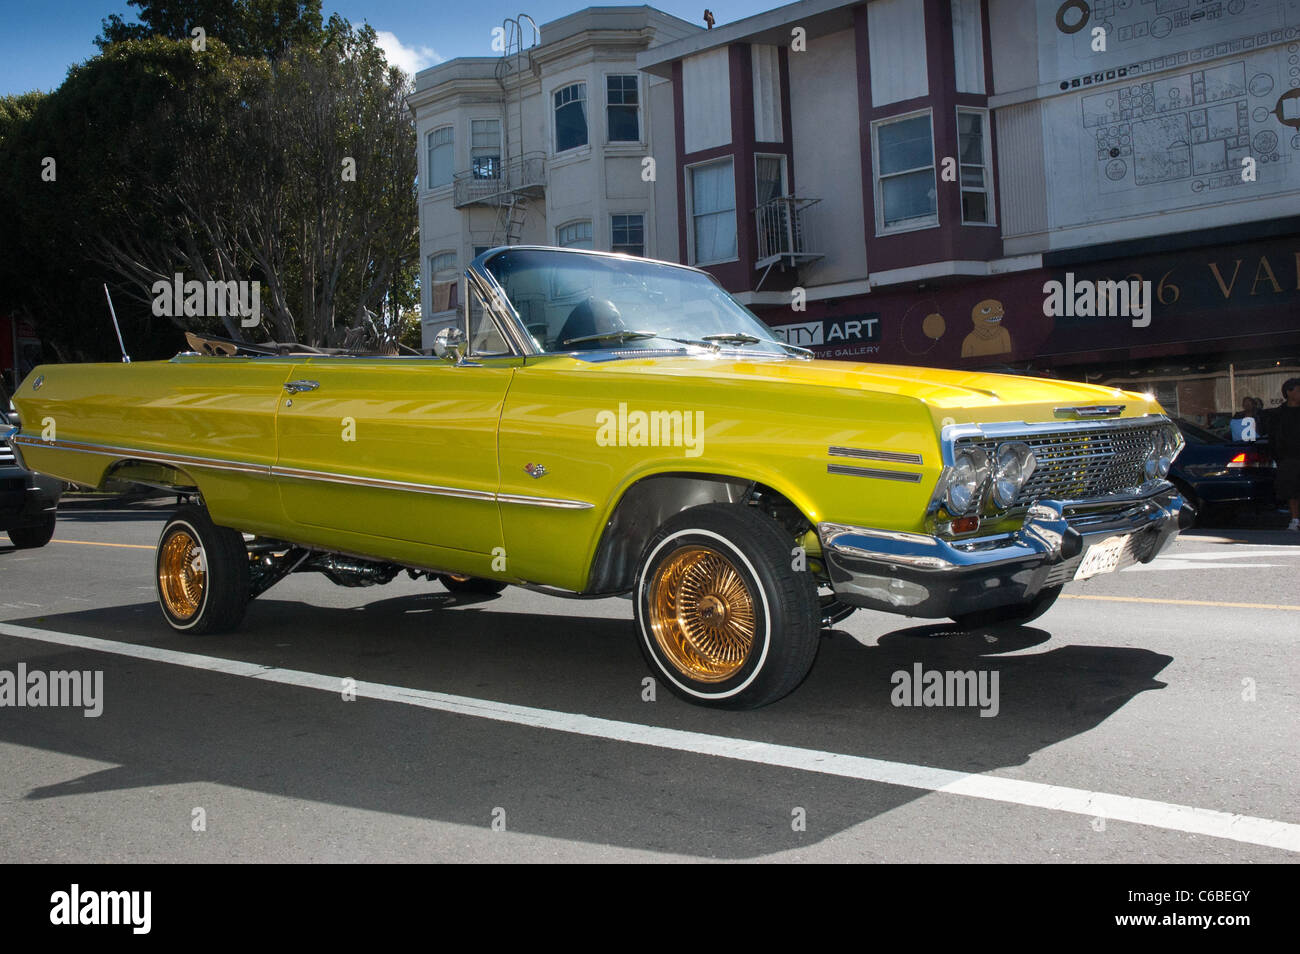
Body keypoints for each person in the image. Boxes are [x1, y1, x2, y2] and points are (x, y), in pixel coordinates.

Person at [1271, 378, 1300, 531]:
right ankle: (1295, 519)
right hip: (1288, 457)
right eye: (1298, 390)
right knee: (1291, 490)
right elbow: (1273, 436)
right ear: (1289, 392)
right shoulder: (1278, 414)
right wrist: (1278, 456)